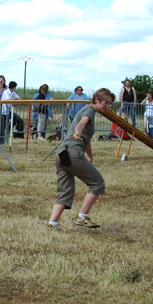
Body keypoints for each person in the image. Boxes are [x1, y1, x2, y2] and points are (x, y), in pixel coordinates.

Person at [47, 88, 116, 230]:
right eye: (106, 102)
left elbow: (86, 138)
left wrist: (90, 155)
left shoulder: (88, 111)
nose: (108, 106)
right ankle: (82, 216)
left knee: (65, 190)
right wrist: (77, 132)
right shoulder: (89, 110)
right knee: (98, 183)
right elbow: (81, 125)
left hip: (62, 153)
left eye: (109, 103)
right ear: (97, 99)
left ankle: (52, 223)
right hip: (73, 153)